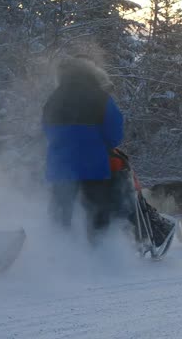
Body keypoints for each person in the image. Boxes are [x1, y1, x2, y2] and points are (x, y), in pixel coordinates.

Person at [42, 56, 124, 243]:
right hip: (93, 165)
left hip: (60, 165)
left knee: (61, 211)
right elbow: (115, 131)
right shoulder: (101, 97)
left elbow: (47, 130)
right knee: (97, 210)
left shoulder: (54, 98)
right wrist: (105, 146)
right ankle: (98, 252)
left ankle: (58, 251)